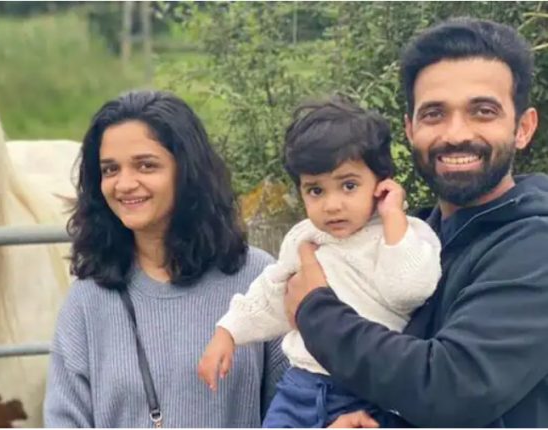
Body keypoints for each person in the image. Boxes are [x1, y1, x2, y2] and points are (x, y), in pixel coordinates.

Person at [285, 17, 548, 427]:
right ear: (410, 129)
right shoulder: (414, 237)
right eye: (434, 114)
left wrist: (315, 310)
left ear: (523, 128)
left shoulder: (534, 246)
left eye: (483, 111)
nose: (455, 133)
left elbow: (453, 388)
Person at [42, 89, 288, 427]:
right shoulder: (87, 301)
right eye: (110, 170)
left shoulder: (258, 279)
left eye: (145, 165)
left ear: (187, 171)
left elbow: (297, 407)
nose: (124, 184)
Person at [197, 98, 442, 428]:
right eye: (315, 191)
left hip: (370, 394)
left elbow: (409, 290)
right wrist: (228, 332)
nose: (332, 205)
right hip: (300, 388)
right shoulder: (304, 238)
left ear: (382, 183)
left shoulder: (406, 234)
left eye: (349, 186)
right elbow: (272, 293)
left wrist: (393, 217)